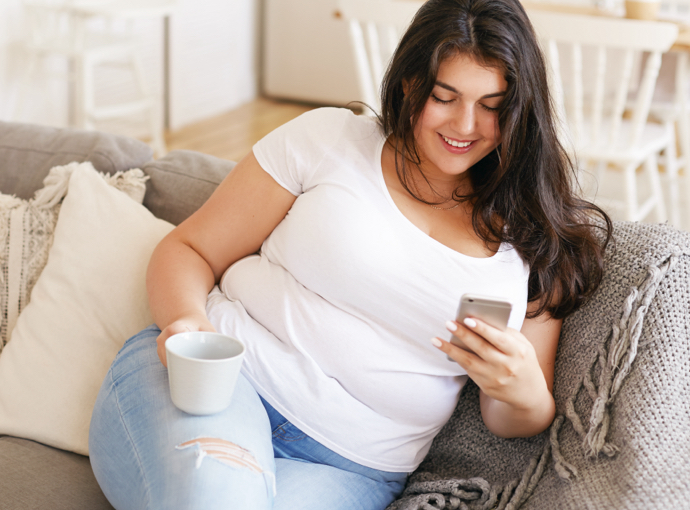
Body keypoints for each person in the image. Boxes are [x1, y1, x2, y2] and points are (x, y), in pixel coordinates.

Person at [88, 0, 612, 508]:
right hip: (224, 382)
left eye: (492, 107)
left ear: (520, 111)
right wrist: (185, 326)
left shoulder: (535, 239)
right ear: (410, 84)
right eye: (444, 96)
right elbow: (190, 247)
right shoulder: (329, 139)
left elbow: (512, 415)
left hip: (348, 465)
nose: (465, 126)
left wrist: (521, 391)